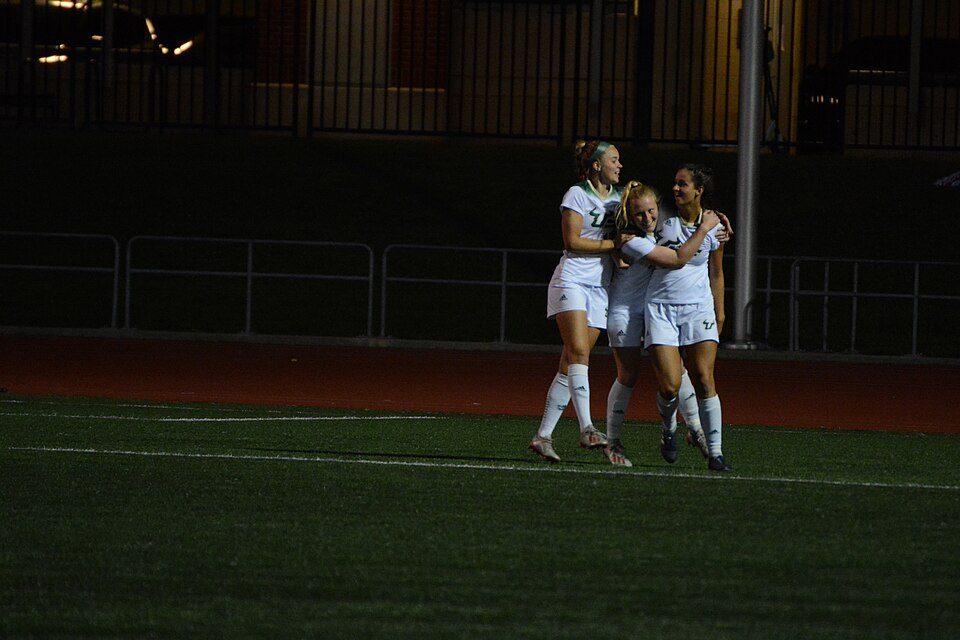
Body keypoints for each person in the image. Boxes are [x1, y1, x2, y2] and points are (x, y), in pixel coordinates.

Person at [601, 181, 724, 467]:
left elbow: (691, 224)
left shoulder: (659, 231)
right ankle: (612, 441)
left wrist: (717, 218)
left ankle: (694, 430)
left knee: (677, 374)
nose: (647, 217)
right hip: (626, 313)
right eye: (640, 213)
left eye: (651, 210)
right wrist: (707, 227)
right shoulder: (631, 240)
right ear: (630, 216)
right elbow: (679, 258)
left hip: (651, 311)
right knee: (628, 376)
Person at [527, 140, 624, 464]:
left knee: (571, 363)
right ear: (596, 165)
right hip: (572, 280)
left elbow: (649, 215)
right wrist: (614, 244)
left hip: (601, 286)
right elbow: (572, 240)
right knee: (580, 352)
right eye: (614, 160)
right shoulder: (577, 194)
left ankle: (543, 437)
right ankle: (587, 427)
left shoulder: (620, 197)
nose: (619, 165)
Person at [644, 163, 731, 472]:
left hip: (698, 308)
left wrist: (720, 311)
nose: (676, 189)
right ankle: (669, 429)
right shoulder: (660, 218)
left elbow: (717, 273)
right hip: (661, 308)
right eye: (675, 183)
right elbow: (634, 208)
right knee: (669, 386)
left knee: (705, 379)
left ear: (699, 190)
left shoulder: (716, 226)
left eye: (683, 184)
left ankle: (717, 453)